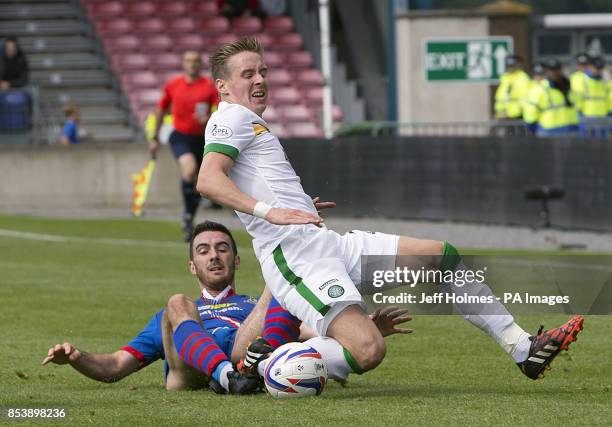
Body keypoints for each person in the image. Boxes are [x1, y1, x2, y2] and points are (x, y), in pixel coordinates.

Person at [197, 37, 584, 384]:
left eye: (262, 71)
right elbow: (209, 180)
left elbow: (252, 181)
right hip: (298, 260)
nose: (260, 80)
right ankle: (261, 364)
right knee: (368, 351)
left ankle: (523, 348)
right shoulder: (231, 117)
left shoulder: (249, 121)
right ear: (223, 86)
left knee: (440, 256)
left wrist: (295, 205)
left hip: (325, 245)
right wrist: (271, 212)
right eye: (248, 74)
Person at [42, 220, 410, 393]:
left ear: (237, 261)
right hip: (187, 374)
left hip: (245, 348)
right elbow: (115, 367)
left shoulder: (254, 306)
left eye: (222, 249)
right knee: (176, 302)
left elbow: (312, 335)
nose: (214, 256)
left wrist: (365, 330)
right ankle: (230, 377)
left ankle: (245, 372)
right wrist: (76, 357)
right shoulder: (176, 315)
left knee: (284, 283)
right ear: (193, 266)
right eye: (203, 251)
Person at [149, 51, 220, 242]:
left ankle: (189, 216)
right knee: (189, 171)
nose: (193, 64)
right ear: (183, 64)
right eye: (189, 61)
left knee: (199, 182)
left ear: (200, 64)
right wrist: (154, 137)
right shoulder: (174, 85)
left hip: (203, 138)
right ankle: (188, 216)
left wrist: (210, 117)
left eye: (196, 61)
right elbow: (161, 109)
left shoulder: (208, 86)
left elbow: (222, 109)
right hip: (180, 135)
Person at [523, 59, 579, 136]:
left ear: (561, 70)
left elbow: (576, 105)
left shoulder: (569, 86)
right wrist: (535, 129)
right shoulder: (539, 89)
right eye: (551, 70)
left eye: (556, 69)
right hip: (548, 132)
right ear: (547, 72)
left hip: (571, 130)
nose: (554, 73)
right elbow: (530, 114)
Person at [572, 56, 608, 138]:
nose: (598, 71)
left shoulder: (603, 80)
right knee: (587, 144)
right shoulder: (582, 79)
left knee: (603, 144)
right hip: (587, 116)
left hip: (602, 116)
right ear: (591, 67)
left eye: (600, 69)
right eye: (596, 68)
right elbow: (578, 98)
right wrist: (579, 113)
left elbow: (607, 98)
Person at [494, 55, 530, 121]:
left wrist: (514, 112)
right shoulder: (505, 77)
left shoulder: (522, 77)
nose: (510, 68)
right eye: (508, 66)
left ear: (517, 65)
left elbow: (524, 97)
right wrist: (499, 110)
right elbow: (500, 97)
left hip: (517, 115)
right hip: (504, 115)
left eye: (512, 66)